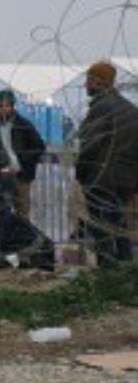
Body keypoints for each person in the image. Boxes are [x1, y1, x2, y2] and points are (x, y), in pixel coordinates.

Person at [74, 60, 138, 263]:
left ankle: (107, 273)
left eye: (89, 80)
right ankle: (126, 268)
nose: (86, 84)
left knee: (101, 229)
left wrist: (81, 174)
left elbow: (89, 145)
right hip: (125, 179)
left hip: (101, 178)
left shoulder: (102, 108)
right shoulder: (130, 109)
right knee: (120, 227)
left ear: (98, 82)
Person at [0, 90, 46, 220]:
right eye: (1, 106)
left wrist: (23, 161)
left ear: (12, 106)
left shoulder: (23, 124)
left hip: (20, 175)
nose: (4, 109)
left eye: (7, 105)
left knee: (22, 212)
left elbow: (39, 146)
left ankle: (22, 238)